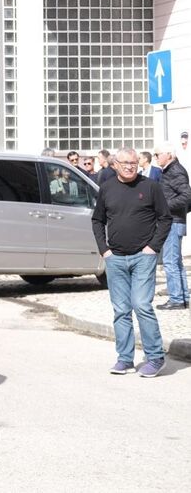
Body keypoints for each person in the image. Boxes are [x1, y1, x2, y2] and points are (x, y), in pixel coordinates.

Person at [91, 147, 171, 378]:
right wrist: (104, 250)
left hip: (142, 257)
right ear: (115, 164)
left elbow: (165, 219)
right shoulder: (106, 188)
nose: (130, 167)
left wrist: (152, 248)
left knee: (141, 305)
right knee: (121, 310)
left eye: (134, 163)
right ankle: (125, 359)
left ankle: (155, 357)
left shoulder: (150, 187)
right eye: (125, 163)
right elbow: (97, 221)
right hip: (115, 258)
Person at [154, 143, 191, 310]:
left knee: (170, 262)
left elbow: (187, 197)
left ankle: (176, 299)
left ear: (168, 155)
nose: (155, 158)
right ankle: (183, 297)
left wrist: (164, 207)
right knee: (176, 262)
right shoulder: (170, 170)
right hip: (175, 220)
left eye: (157, 154)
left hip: (174, 222)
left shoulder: (175, 170)